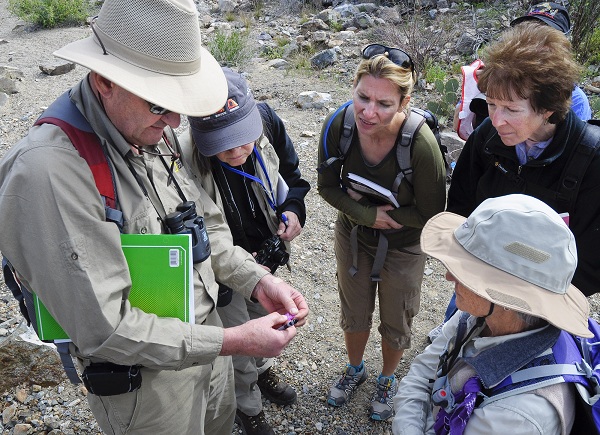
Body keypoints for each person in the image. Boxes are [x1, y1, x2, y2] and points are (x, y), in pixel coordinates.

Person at [0, 1, 308, 434]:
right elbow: (106, 329)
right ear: (105, 80)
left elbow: (205, 223)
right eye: (161, 105)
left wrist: (258, 280)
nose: (176, 121)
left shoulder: (145, 127)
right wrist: (235, 341)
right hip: (150, 391)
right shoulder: (48, 174)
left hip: (210, 352)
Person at [439, 21, 600, 333]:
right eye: (491, 105)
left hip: (545, 305)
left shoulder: (591, 160)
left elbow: (593, 261)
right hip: (479, 282)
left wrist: (521, 303)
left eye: (511, 109)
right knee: (455, 348)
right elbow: (460, 209)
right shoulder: (487, 138)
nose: (497, 120)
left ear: (548, 110)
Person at [317, 44, 447, 421]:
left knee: (396, 317)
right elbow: (326, 186)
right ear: (354, 89)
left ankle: (388, 378)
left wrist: (392, 219)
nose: (368, 112)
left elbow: (432, 213)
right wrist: (367, 214)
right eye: (362, 97)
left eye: (384, 104)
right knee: (353, 310)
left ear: (405, 103)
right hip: (355, 235)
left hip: (405, 246)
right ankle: (355, 369)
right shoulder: (338, 126)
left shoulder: (419, 146)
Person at [179, 67, 310, 435]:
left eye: (242, 137)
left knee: (263, 314)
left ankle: (263, 371)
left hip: (266, 256)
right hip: (221, 269)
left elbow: (295, 177)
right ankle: (248, 408)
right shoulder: (184, 158)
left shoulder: (268, 121)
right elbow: (199, 229)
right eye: (221, 143)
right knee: (238, 337)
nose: (236, 150)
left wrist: (294, 210)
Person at [392, 194, 592, 435]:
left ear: (507, 298)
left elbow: (422, 381)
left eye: (467, 271)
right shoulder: (478, 315)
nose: (449, 276)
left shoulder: (520, 416)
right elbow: (422, 373)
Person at [453, 2, 592, 141]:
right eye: (526, 31)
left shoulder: (577, 99)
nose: (531, 43)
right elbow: (460, 125)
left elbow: (575, 148)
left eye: (544, 36)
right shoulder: (498, 79)